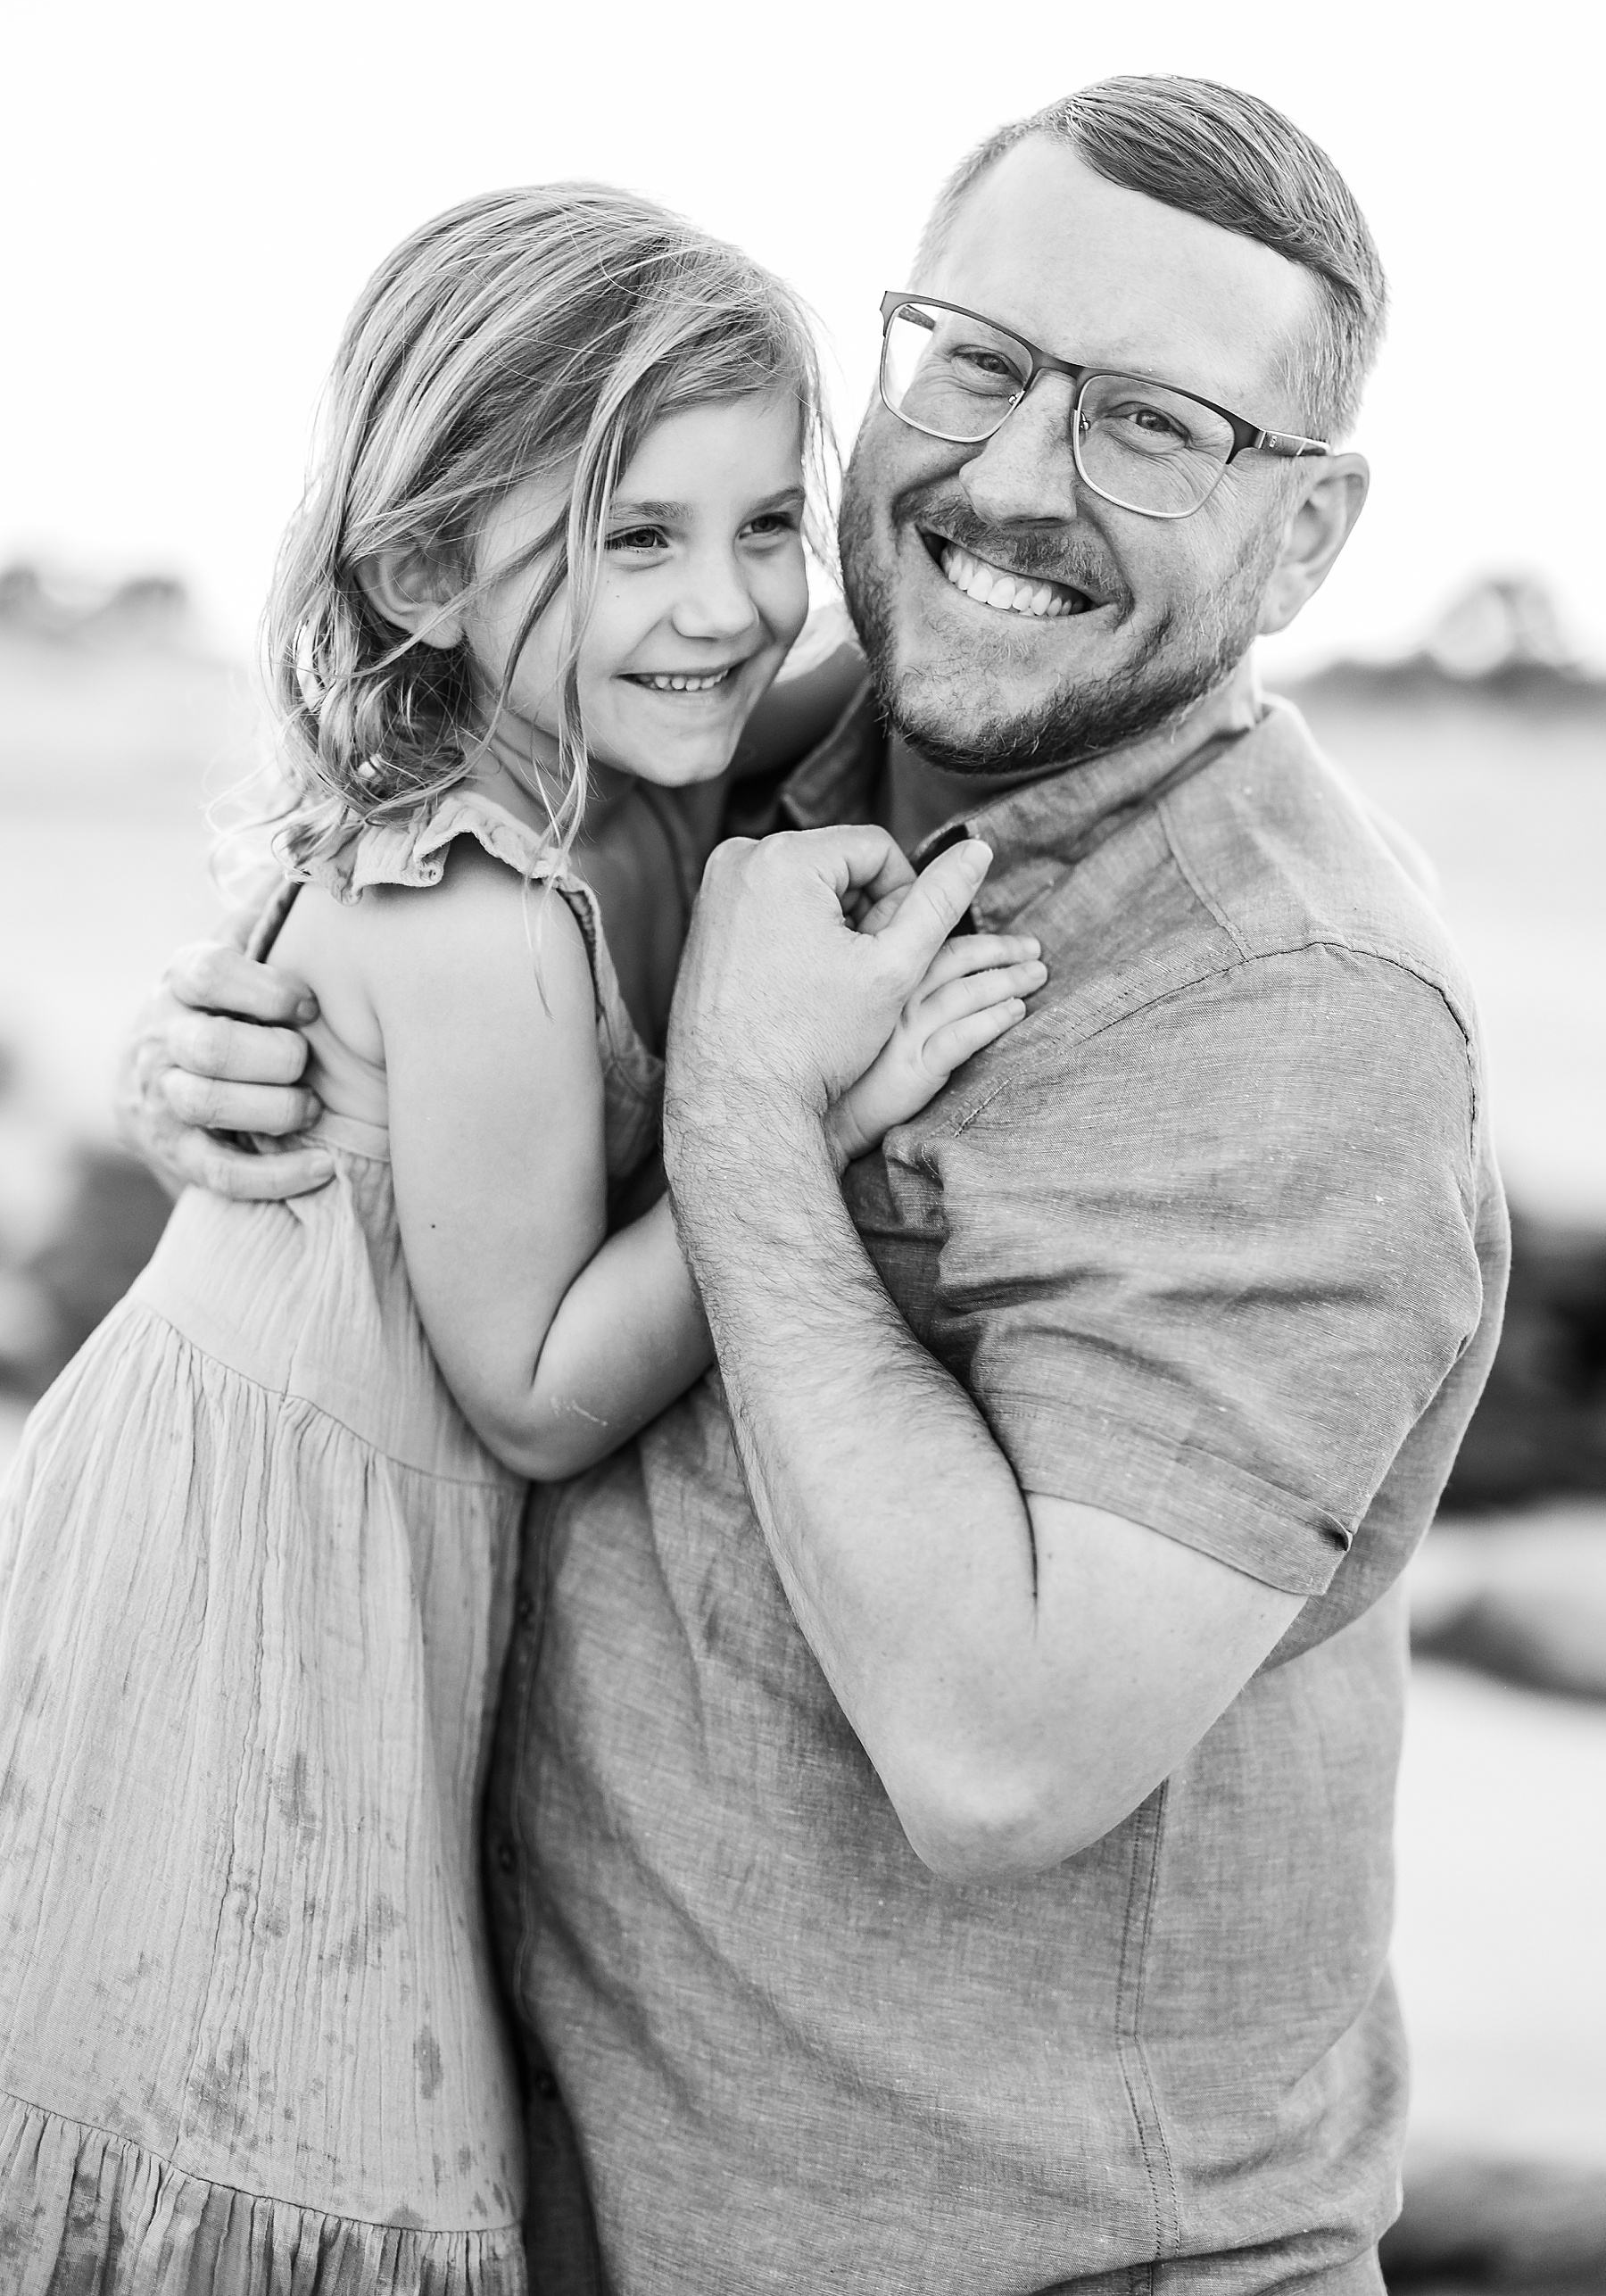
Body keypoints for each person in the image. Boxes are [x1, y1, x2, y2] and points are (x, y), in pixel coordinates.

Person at [122, 79, 1510, 2292]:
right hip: (568, 2189)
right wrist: (249, 1062)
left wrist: (757, 1122)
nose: (1018, 475)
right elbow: (456, 838)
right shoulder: (796, 732)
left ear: (1309, 531)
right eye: (976, 359)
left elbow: (994, 1762)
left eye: (1152, 422)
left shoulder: (1298, 1018)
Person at [0, 183, 1039, 2292]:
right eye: (632, 538)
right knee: (279, 2105)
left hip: (332, 1543)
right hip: (255, 1612)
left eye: (768, 524)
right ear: (416, 567)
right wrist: (796, 1103)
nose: (728, 607)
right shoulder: (477, 921)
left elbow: (913, 652)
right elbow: (544, 1396)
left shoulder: (645, 756)